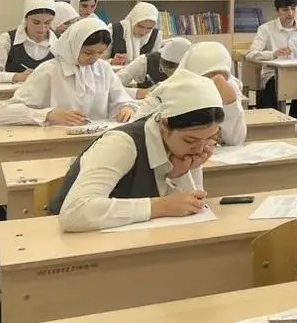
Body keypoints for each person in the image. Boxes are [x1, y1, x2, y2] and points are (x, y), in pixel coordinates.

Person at [51, 74, 225, 232]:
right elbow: (74, 212)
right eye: (190, 140)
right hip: (78, 245)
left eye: (210, 139)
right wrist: (160, 206)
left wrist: (178, 175)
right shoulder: (121, 144)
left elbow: (189, 210)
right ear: (164, 125)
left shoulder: (190, 148)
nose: (200, 150)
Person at [0, 17, 137, 126]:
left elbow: (123, 101)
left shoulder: (103, 68)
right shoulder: (49, 71)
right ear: (73, 45)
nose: (94, 59)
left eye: (100, 53)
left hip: (97, 139)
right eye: (88, 52)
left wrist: (126, 109)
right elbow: (2, 114)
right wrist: (48, 115)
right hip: (57, 142)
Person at [133, 43, 247, 146]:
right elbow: (136, 132)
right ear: (192, 72)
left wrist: (231, 105)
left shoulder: (228, 88)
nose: (214, 83)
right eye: (208, 77)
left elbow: (235, 140)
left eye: (223, 77)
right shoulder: (167, 91)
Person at [246, 0, 297, 116]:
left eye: (293, 9)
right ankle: (274, 120)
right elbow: (251, 54)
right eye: (285, 10)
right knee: (270, 92)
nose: (290, 13)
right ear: (277, 11)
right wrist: (273, 54)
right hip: (273, 75)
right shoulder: (265, 29)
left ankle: (293, 119)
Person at [0, 0, 58, 85]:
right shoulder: (7, 40)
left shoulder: (61, 41)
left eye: (47, 22)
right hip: (13, 93)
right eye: (36, 22)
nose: (42, 28)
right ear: (26, 19)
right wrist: (16, 76)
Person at [117, 37, 191, 94]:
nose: (170, 76)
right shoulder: (144, 61)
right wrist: (141, 92)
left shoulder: (194, 66)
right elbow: (113, 86)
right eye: (164, 70)